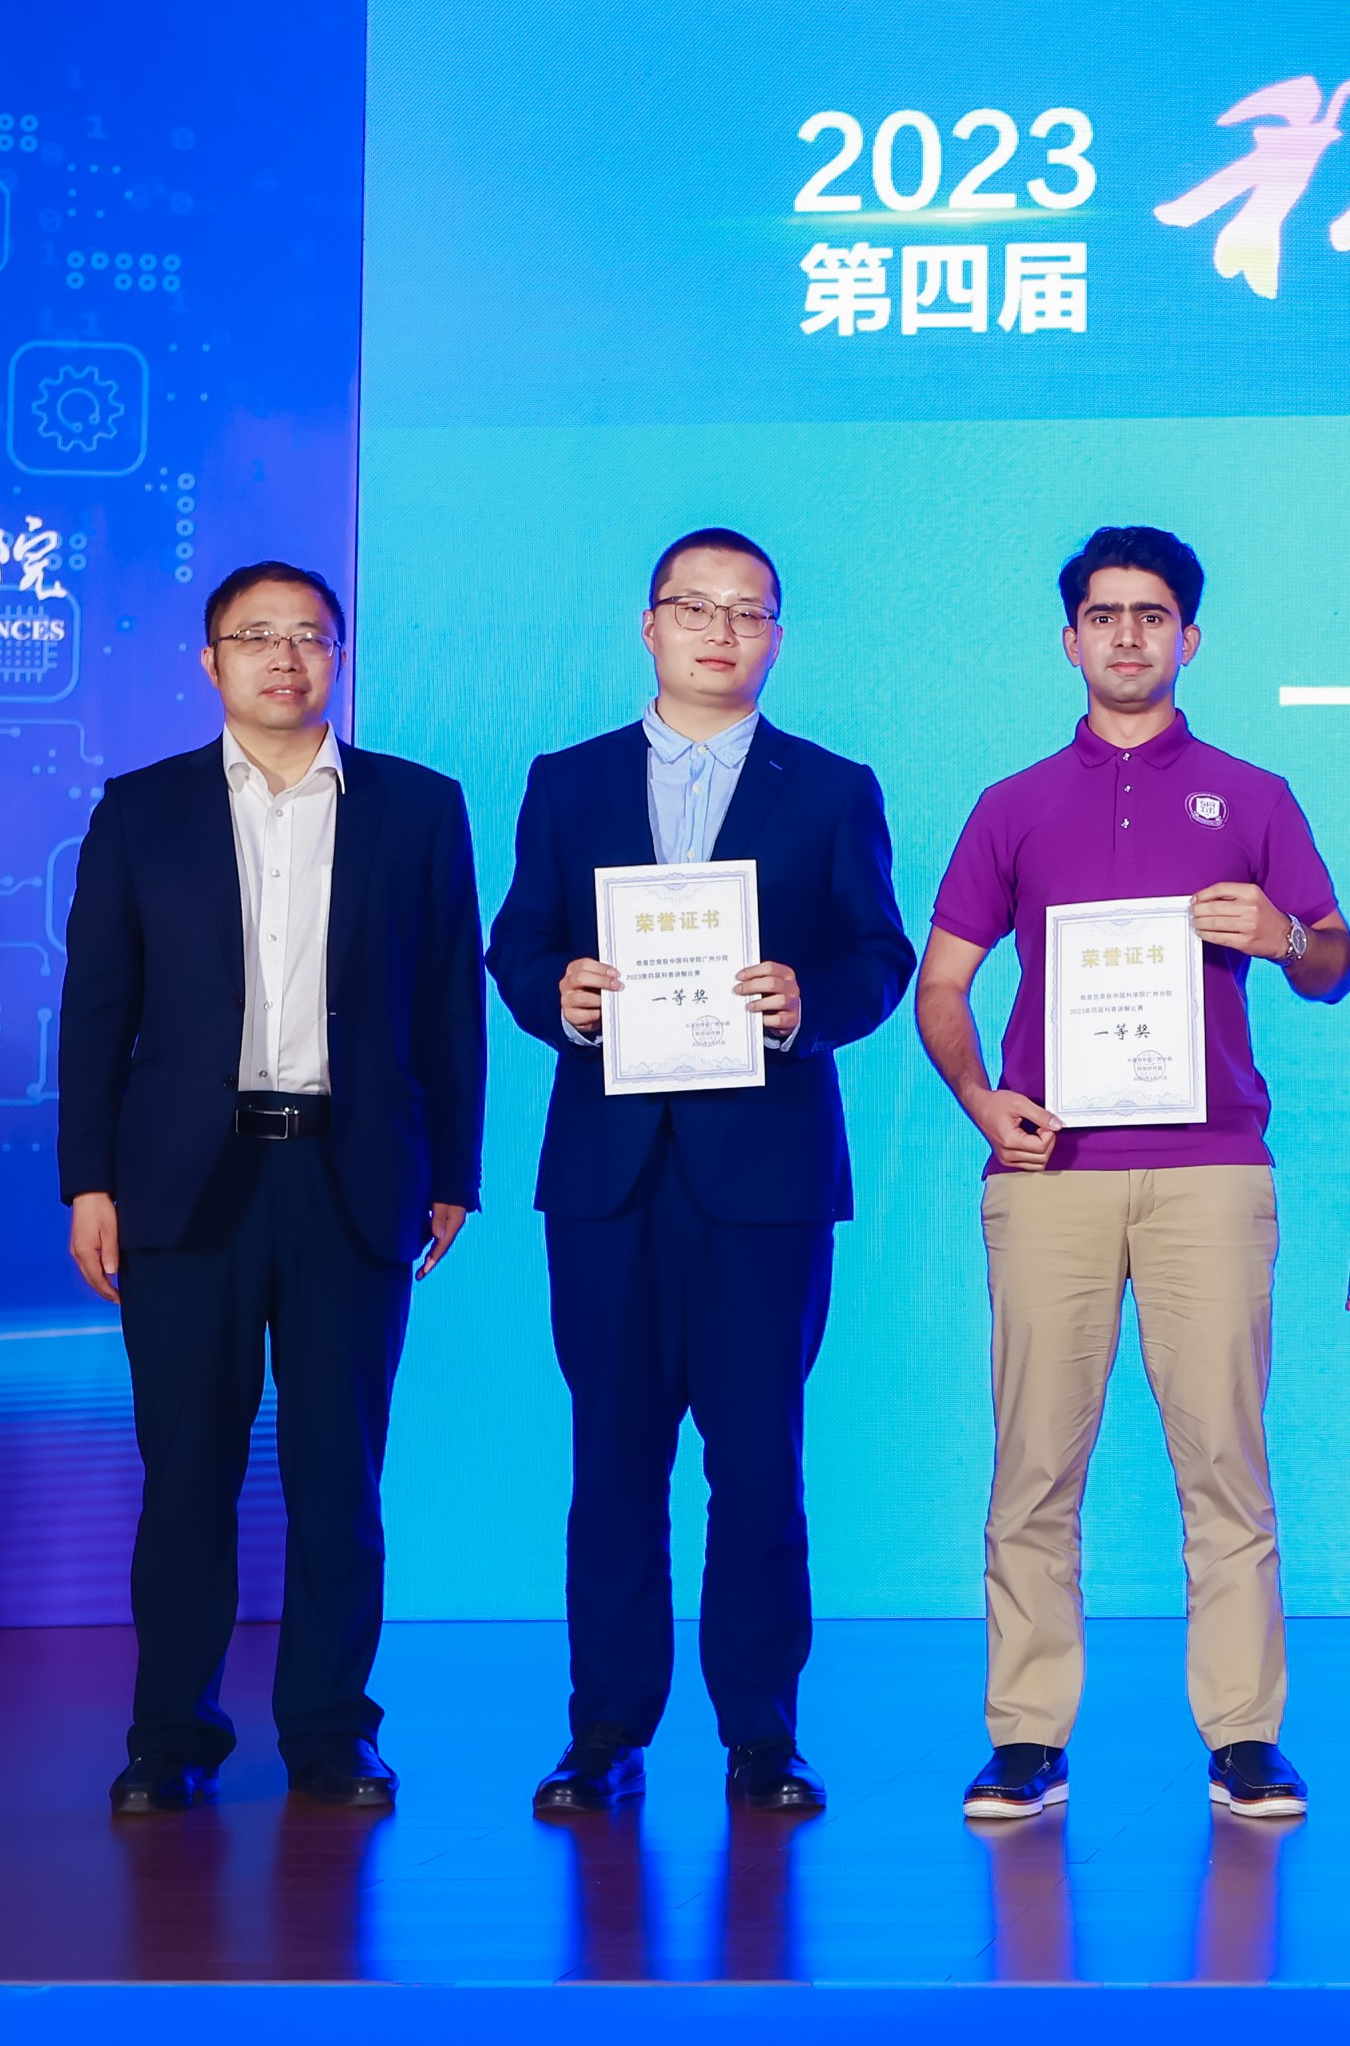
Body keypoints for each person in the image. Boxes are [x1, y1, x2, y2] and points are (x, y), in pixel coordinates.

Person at [918, 526, 1350, 1822]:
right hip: (1048, 1172)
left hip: (1211, 1170)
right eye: (1103, 614)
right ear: (1070, 640)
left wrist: (1281, 934)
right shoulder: (1012, 804)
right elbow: (942, 985)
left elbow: (1334, 960)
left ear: (1189, 639)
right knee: (1033, 1468)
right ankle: (1025, 1733)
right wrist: (980, 1099)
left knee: (1224, 1462)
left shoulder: (1253, 794)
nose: (1126, 634)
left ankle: (1244, 1733)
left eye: (1151, 614)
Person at [485, 528, 918, 1816]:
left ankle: (762, 1732)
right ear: (650, 623)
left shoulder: (831, 787)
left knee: (760, 1461)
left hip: (767, 1178)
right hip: (607, 1178)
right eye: (696, 607)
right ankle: (605, 1728)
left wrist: (806, 1000)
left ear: (777, 634)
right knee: (611, 1460)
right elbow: (517, 942)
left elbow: (879, 954)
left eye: (749, 611)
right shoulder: (568, 780)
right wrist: (559, 994)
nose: (721, 630)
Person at [58, 561, 485, 1813]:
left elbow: (449, 1002)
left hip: (354, 1174)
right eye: (256, 636)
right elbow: (97, 1009)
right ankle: (171, 1734)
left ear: (338, 657)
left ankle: (331, 1729)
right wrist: (90, 1179)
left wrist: (452, 1170)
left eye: (309, 635)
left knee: (339, 1477)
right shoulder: (143, 809)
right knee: (186, 1472)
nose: (284, 657)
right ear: (212, 662)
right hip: (185, 1183)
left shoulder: (418, 807)